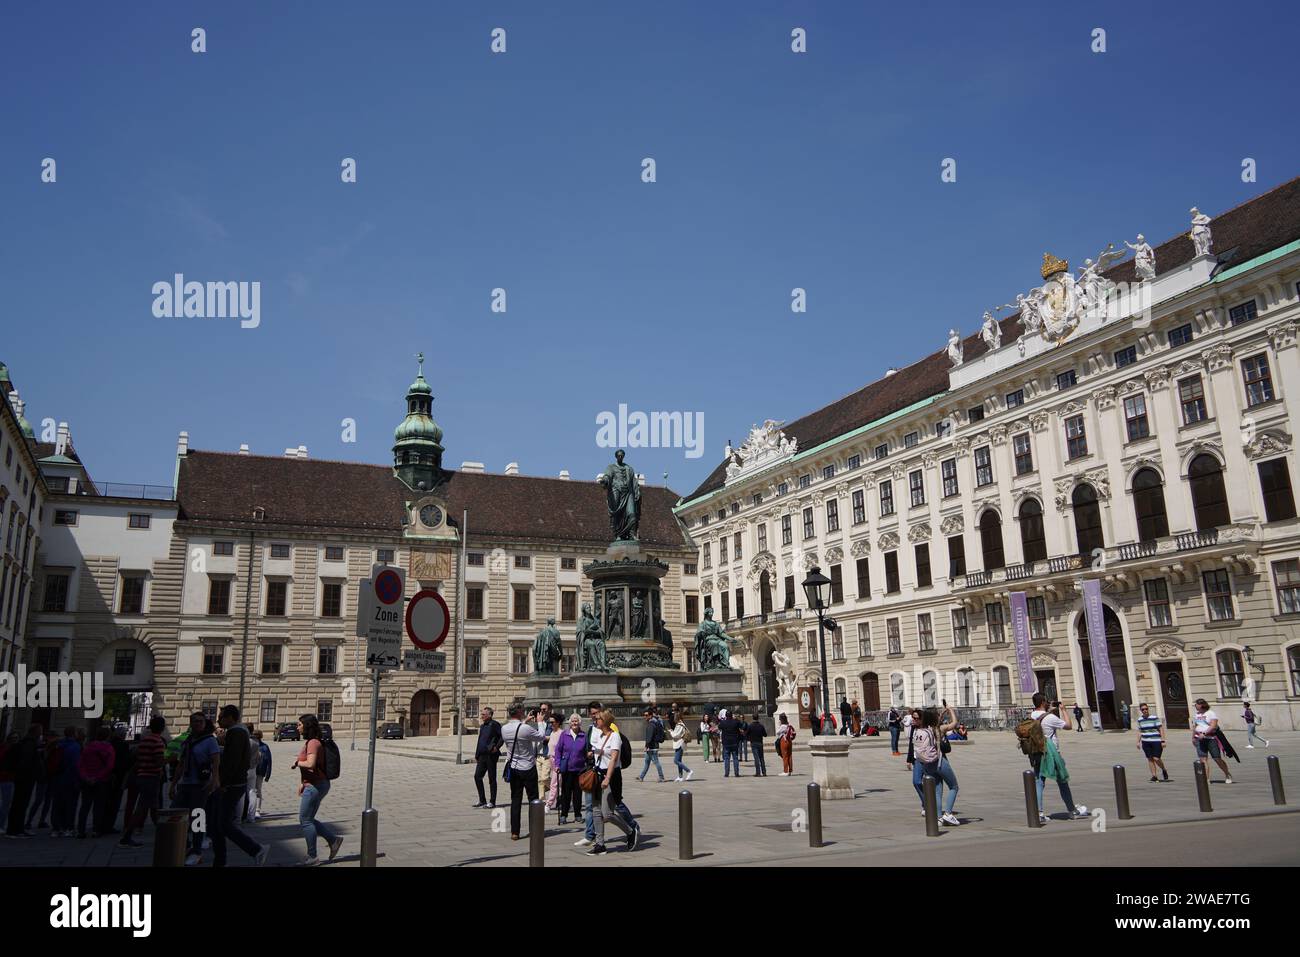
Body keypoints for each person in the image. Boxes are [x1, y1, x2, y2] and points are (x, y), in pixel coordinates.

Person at [210, 706, 268, 867]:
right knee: (217, 825)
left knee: (223, 824)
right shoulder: (239, 732)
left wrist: (223, 783)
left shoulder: (236, 732)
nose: (218, 720)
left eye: (221, 717)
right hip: (234, 782)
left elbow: (231, 762)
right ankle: (220, 861)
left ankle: (256, 849)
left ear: (230, 717)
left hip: (230, 784)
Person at [586, 709, 639, 855]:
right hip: (598, 774)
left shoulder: (615, 736)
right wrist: (592, 753)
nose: (595, 721)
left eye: (597, 719)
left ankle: (630, 831)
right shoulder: (600, 735)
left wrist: (607, 778)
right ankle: (600, 844)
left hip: (610, 776)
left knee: (607, 814)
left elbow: (614, 758)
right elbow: (599, 752)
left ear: (604, 721)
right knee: (596, 811)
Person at [1029, 694, 1088, 822]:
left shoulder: (1031, 715)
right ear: (1043, 702)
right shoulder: (1050, 717)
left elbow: (1041, 717)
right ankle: (1072, 811)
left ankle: (1038, 813)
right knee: (1062, 781)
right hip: (1052, 753)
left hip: (1037, 752)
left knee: (1039, 782)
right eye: (1047, 701)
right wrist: (1064, 710)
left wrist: (1048, 711)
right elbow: (1068, 726)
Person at [293, 713, 342, 865]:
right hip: (314, 784)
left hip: (316, 785)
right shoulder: (312, 741)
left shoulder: (313, 743)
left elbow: (310, 764)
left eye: (300, 724)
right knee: (309, 819)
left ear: (307, 726)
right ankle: (333, 840)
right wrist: (303, 782)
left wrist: (296, 763)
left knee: (305, 821)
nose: (297, 727)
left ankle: (312, 856)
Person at [498, 704, 548, 841]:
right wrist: (540, 722)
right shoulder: (525, 728)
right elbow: (541, 737)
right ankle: (535, 829)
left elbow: (517, 731)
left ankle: (515, 832)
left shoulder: (504, 728)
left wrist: (525, 721)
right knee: (533, 800)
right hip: (528, 767)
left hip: (513, 768)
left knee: (515, 800)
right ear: (520, 712)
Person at [119, 716, 167, 847]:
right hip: (151, 777)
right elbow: (158, 762)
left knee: (151, 806)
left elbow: (138, 758)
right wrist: (168, 759)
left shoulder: (144, 741)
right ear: (162, 727)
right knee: (147, 808)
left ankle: (163, 833)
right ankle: (128, 836)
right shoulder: (158, 741)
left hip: (142, 775)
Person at [76, 727, 116, 838]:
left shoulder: (88, 747)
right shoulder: (109, 748)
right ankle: (96, 829)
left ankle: (81, 830)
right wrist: (98, 777)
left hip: (87, 781)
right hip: (101, 781)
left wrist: (86, 777)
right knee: (99, 806)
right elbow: (109, 766)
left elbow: (80, 764)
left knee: (85, 806)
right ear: (108, 736)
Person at [3, 725, 42, 837]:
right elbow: (26, 761)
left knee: (22, 804)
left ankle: (18, 828)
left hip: (24, 777)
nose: (41, 734)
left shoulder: (28, 742)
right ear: (35, 732)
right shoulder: (29, 743)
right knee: (19, 804)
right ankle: (12, 830)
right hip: (25, 778)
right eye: (40, 731)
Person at [552, 713, 586, 825]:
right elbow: (558, 750)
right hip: (566, 768)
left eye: (576, 721)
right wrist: (557, 764)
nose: (574, 723)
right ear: (569, 723)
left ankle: (578, 814)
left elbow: (586, 751)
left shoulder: (583, 735)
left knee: (578, 793)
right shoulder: (564, 735)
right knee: (566, 793)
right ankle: (564, 815)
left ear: (579, 722)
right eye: (572, 721)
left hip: (579, 769)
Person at [50, 727, 82, 838]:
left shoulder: (59, 744)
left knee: (57, 804)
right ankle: (68, 827)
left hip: (57, 778)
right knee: (70, 804)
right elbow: (76, 765)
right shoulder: (75, 746)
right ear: (74, 734)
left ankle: (56, 828)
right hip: (70, 779)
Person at [1192, 699, 1233, 784]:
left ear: (1202, 705)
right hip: (1199, 739)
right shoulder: (1197, 714)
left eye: (1196, 704)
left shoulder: (1211, 713)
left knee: (1217, 758)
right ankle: (1206, 779)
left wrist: (1204, 733)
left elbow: (1213, 726)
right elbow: (1195, 726)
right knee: (1203, 759)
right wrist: (1193, 737)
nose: (1195, 706)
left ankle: (1227, 774)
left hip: (1211, 739)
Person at [471, 706, 503, 808]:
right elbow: (480, 740)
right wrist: (477, 754)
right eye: (481, 714)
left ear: (489, 715)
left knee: (491, 778)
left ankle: (492, 801)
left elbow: (502, 737)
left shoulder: (495, 725)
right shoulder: (483, 726)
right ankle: (482, 800)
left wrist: (496, 747)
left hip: (491, 755)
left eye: (484, 714)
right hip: (482, 755)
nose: (482, 716)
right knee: (477, 776)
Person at [1135, 703, 1169, 782]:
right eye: (1143, 709)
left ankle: (1163, 769)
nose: (1145, 711)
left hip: (1156, 741)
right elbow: (1140, 731)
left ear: (1148, 709)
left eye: (1146, 709)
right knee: (1150, 759)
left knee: (1156, 758)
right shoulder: (1140, 720)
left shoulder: (1154, 718)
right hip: (1145, 742)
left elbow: (1161, 729)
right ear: (1141, 710)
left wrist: (1163, 740)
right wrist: (1137, 742)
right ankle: (1154, 776)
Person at [637, 708, 666, 782]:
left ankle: (661, 777)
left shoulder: (651, 724)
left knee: (656, 762)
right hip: (652, 746)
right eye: (644, 715)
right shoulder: (654, 722)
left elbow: (649, 737)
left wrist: (646, 746)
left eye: (646, 715)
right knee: (647, 762)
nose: (645, 717)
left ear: (650, 716)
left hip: (652, 747)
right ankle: (641, 776)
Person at [249, 729, 272, 820]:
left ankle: (257, 810)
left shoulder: (264, 747)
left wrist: (268, 774)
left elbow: (269, 761)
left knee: (257, 790)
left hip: (259, 771)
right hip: (253, 770)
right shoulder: (252, 745)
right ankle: (252, 810)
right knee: (253, 791)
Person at [543, 713, 564, 811]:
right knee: (560, 783)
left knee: (554, 783)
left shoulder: (562, 733)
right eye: (549, 722)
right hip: (551, 759)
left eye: (552, 722)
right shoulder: (552, 733)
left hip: (558, 760)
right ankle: (566, 801)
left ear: (558, 722)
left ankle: (549, 804)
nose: (550, 724)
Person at [717, 709, 744, 778]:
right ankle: (736, 773)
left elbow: (719, 728)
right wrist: (736, 718)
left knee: (727, 758)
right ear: (732, 715)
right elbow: (742, 725)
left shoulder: (723, 722)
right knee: (735, 758)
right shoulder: (736, 722)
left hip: (726, 742)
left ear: (726, 716)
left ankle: (726, 773)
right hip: (735, 742)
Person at [669, 713, 693, 782]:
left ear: (677, 718)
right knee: (679, 761)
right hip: (679, 744)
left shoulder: (680, 725)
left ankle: (689, 771)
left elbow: (675, 735)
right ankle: (680, 776)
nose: (673, 719)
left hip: (680, 744)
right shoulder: (680, 724)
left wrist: (671, 732)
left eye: (674, 718)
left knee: (676, 761)